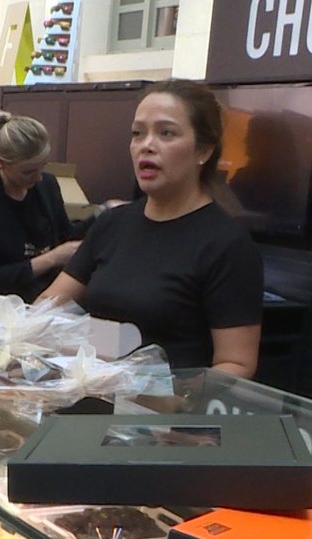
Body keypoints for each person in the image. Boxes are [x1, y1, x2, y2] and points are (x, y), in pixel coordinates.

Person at [41, 79, 263, 378]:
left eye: (166, 133)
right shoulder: (111, 223)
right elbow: (46, 310)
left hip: (163, 419)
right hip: (85, 408)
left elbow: (237, 365)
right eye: (137, 133)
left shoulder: (227, 245)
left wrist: (171, 400)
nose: (146, 145)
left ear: (204, 150)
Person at [0, 111, 94, 302]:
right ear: (1, 163)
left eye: (42, 166)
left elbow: (65, 235)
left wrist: (101, 215)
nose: (38, 177)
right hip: (5, 307)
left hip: (49, 301)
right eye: (29, 171)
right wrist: (52, 258)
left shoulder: (47, 184)